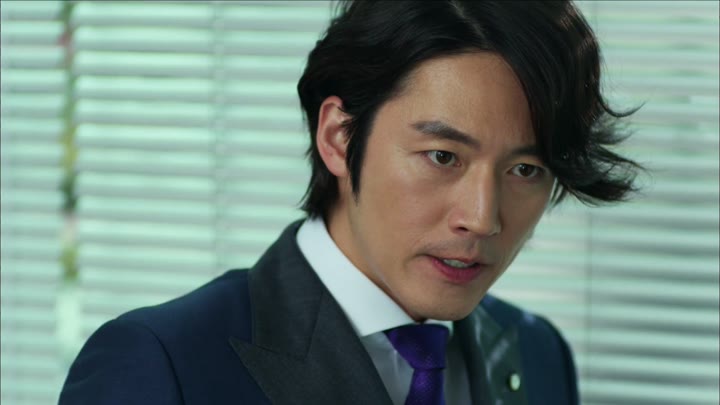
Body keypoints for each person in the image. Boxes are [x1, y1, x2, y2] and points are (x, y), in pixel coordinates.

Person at [58, 1, 642, 404]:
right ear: (338, 137)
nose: (482, 218)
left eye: (524, 170)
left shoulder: (537, 353)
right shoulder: (161, 365)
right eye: (442, 156)